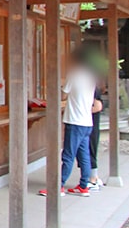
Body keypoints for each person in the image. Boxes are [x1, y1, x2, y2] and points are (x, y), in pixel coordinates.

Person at [40, 46, 99, 197]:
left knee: (68, 154)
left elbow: (63, 95)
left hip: (75, 120)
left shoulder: (75, 74)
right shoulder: (91, 76)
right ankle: (84, 186)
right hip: (87, 122)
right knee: (84, 155)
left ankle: (59, 186)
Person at [87, 84, 104, 190]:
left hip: (91, 123)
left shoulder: (93, 88)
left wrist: (82, 109)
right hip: (89, 122)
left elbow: (98, 107)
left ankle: (93, 179)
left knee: (90, 149)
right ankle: (94, 177)